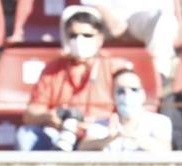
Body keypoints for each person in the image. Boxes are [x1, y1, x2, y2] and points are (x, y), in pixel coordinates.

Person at [17, 7, 124, 151]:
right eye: (73, 35)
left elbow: (127, 106)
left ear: (99, 38)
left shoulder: (113, 67)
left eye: (86, 35)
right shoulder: (53, 69)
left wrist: (95, 125)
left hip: (98, 133)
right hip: (60, 133)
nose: (79, 40)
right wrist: (49, 117)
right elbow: (30, 113)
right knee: (26, 136)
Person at [82, 0, 179, 87]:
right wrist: (112, 23)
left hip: (141, 22)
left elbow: (167, 12)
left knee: (165, 21)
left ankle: (157, 78)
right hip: (103, 20)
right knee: (78, 24)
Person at [77, 67, 172, 152]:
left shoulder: (160, 122)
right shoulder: (100, 124)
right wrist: (109, 139)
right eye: (121, 91)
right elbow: (82, 148)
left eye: (134, 89)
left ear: (143, 94)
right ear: (113, 96)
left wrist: (136, 138)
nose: (127, 95)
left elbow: (166, 151)